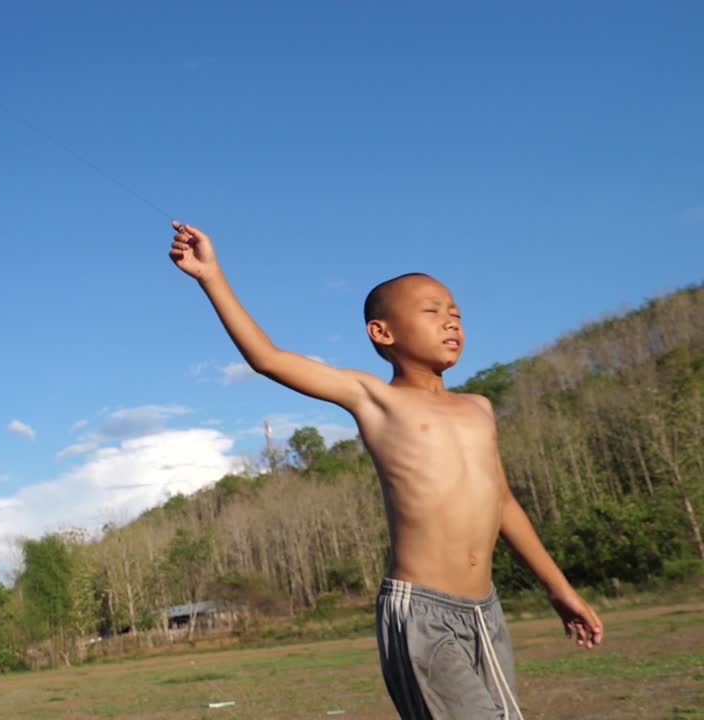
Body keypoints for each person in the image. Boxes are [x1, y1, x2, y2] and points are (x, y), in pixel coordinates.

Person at [167, 220, 603, 719]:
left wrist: (560, 588)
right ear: (383, 332)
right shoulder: (375, 399)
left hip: (486, 610)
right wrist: (211, 276)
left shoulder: (479, 408)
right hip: (420, 611)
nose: (451, 322)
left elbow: (502, 503)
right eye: (433, 311)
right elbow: (268, 359)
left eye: (456, 313)